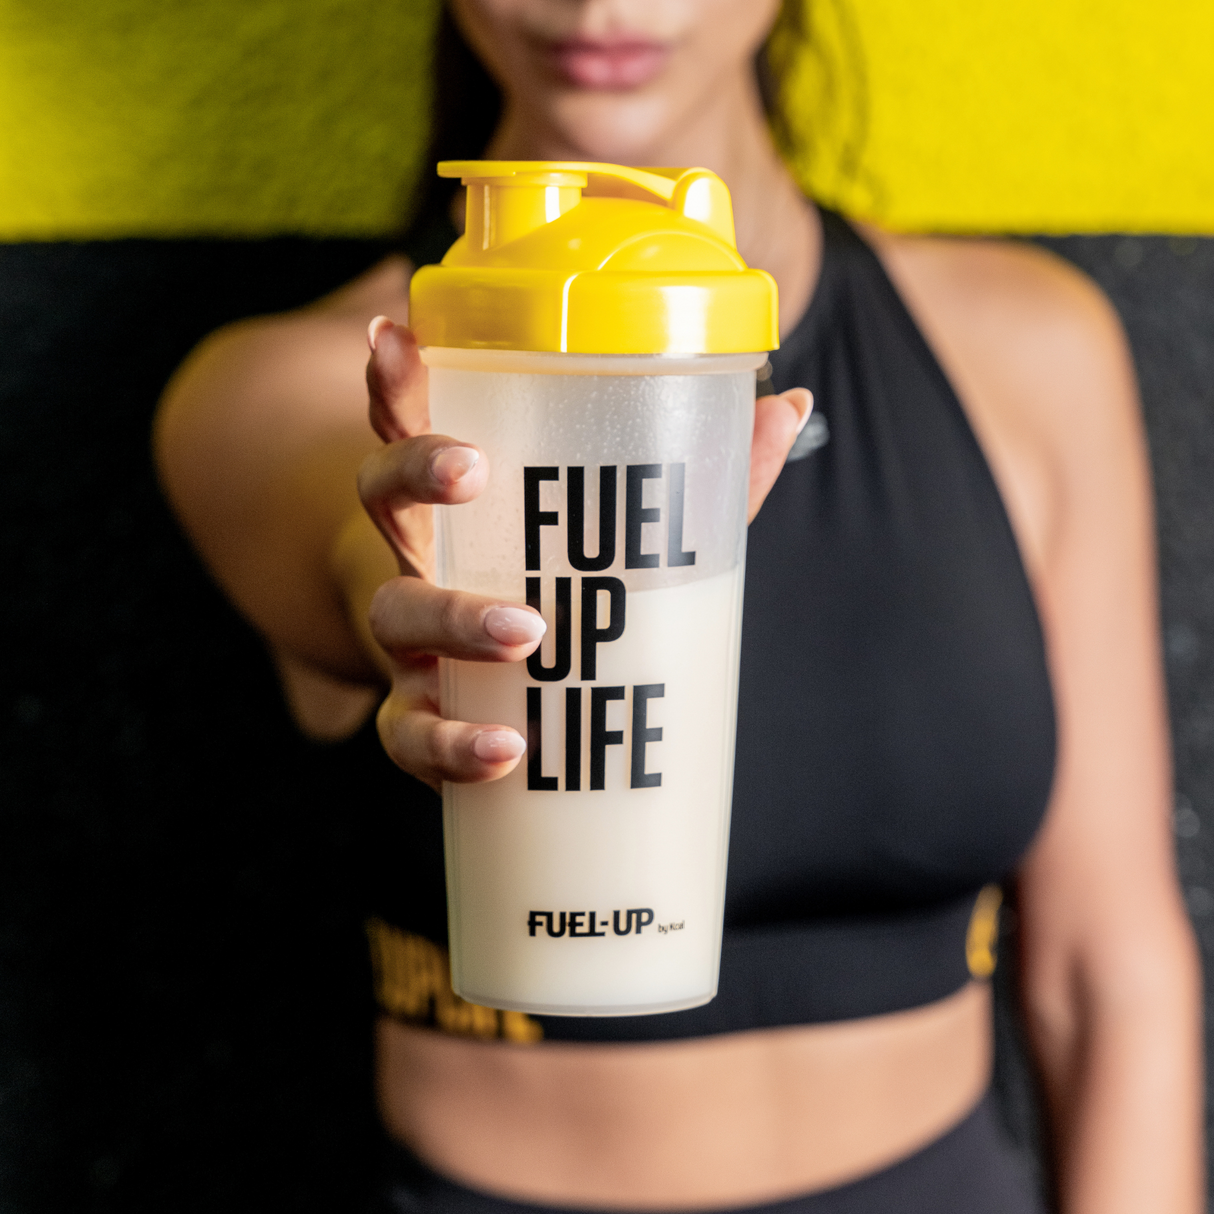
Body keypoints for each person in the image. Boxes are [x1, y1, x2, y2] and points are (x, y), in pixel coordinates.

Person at [153, 0, 1203, 1209]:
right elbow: (363, 534)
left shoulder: (1023, 353)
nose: (599, 1)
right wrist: (429, 587)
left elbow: (1104, 973)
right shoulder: (273, 390)